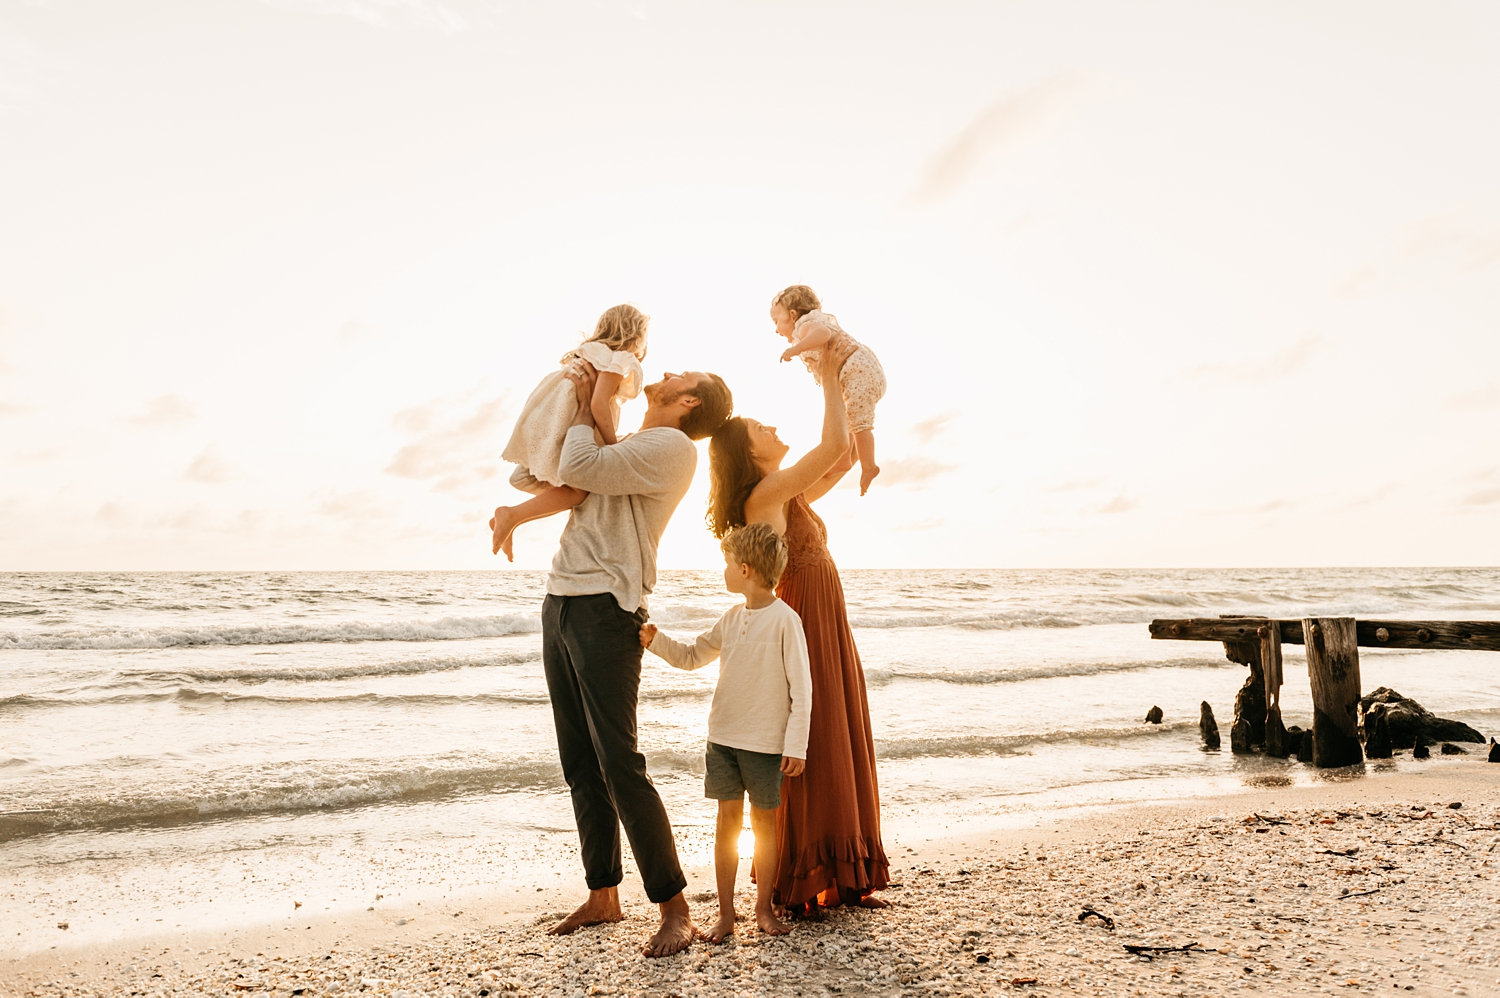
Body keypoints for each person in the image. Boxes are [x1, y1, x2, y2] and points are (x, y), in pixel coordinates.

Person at [537, 358, 733, 958]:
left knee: (620, 761)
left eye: (683, 375)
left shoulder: (672, 447)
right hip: (562, 599)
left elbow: (575, 464)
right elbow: (560, 473)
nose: (668, 371)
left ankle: (675, 908)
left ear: (690, 402)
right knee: (579, 761)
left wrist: (590, 401)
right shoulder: (629, 441)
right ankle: (604, 893)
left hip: (607, 609)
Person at [704, 340, 890, 913]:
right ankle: (809, 873)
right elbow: (830, 445)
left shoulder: (786, 492)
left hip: (823, 614)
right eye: (761, 427)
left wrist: (857, 401)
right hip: (806, 617)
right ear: (748, 452)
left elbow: (839, 458)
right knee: (818, 730)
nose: (772, 427)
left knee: (834, 726)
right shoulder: (766, 493)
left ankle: (843, 873)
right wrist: (831, 373)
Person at [639, 522, 813, 942]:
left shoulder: (786, 621)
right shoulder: (732, 618)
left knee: (764, 826)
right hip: (722, 741)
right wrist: (655, 641)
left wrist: (796, 746)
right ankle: (726, 915)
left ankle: (763, 909)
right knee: (726, 825)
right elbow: (693, 654)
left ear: (746, 569)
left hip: (765, 746)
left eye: (728, 563)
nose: (725, 570)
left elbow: (802, 688)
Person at [490, 304, 649, 561]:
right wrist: (612, 448)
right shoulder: (619, 358)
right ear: (636, 335)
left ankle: (509, 522)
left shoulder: (590, 352)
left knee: (557, 484)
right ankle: (512, 515)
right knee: (579, 492)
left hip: (549, 416)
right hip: (572, 420)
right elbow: (598, 404)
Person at [770, 285, 887, 496]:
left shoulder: (805, 326)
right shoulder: (806, 327)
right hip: (854, 373)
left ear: (793, 315)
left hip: (857, 371)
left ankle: (869, 466)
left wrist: (796, 348)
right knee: (847, 418)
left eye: (777, 321)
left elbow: (822, 334)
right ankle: (842, 459)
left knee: (859, 422)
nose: (776, 329)